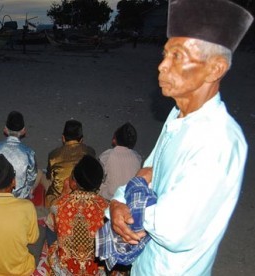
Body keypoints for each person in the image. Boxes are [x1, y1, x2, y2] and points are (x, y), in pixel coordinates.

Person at [108, 1, 252, 275]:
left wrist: (126, 209)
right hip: (144, 264)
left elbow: (174, 229)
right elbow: (149, 170)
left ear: (215, 69)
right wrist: (116, 202)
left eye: (177, 56)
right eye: (165, 54)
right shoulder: (178, 115)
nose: (162, 66)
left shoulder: (219, 141)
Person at [0, 154, 39, 276]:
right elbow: (33, 238)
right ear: (13, 181)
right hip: (21, 270)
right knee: (40, 234)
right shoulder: (27, 206)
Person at [47, 155, 109, 275]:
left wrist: (63, 196)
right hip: (97, 271)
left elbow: (52, 230)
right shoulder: (107, 208)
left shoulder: (58, 205)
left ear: (73, 182)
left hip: (66, 271)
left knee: (52, 237)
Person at [45, 119, 96, 207]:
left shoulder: (54, 155)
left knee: (48, 185)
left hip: (60, 199)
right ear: (81, 140)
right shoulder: (90, 152)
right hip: (84, 198)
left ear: (63, 138)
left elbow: (50, 177)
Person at [0, 111, 37, 199]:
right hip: (20, 195)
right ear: (23, 131)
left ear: (5, 129)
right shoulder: (29, 152)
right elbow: (31, 177)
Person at [98, 122, 142, 200]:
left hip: (110, 197)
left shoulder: (107, 155)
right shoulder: (137, 157)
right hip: (129, 199)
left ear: (115, 139)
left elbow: (97, 176)